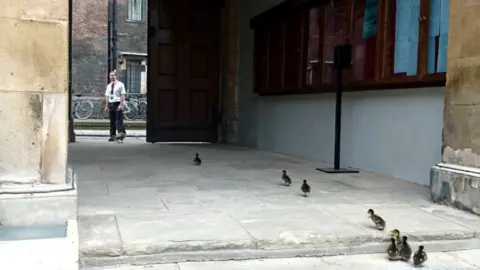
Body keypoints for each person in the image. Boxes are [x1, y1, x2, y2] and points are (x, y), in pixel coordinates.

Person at [104, 70, 127, 142]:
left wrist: (121, 104)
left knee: (119, 120)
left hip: (118, 103)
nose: (111, 77)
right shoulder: (109, 86)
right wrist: (107, 106)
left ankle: (120, 136)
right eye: (110, 75)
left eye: (113, 75)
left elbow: (122, 94)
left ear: (116, 76)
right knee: (112, 121)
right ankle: (113, 135)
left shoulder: (120, 84)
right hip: (111, 104)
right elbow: (107, 96)